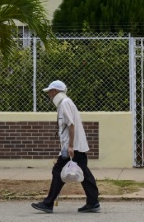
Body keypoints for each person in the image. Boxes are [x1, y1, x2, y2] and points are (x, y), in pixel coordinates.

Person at [31, 80, 100, 214]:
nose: (49, 94)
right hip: (75, 146)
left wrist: (70, 146)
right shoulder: (66, 102)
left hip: (73, 147)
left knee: (58, 171)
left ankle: (48, 203)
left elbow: (71, 125)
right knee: (84, 174)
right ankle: (93, 202)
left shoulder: (64, 103)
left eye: (50, 91)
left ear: (56, 91)